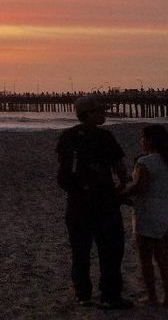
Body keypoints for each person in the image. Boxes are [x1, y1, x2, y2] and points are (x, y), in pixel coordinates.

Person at [56, 94, 133, 309]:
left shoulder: (68, 136)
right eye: (100, 110)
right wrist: (122, 186)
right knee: (111, 251)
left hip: (77, 203)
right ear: (89, 114)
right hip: (104, 203)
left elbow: (63, 170)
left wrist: (78, 190)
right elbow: (119, 167)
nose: (104, 113)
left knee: (80, 252)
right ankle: (110, 295)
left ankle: (83, 294)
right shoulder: (105, 136)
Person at [122, 125, 168, 306]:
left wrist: (121, 195)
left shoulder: (146, 161)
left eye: (143, 138)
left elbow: (140, 187)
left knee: (146, 258)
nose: (141, 141)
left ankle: (152, 297)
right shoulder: (165, 160)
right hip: (165, 209)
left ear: (149, 140)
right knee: (163, 257)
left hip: (149, 211)